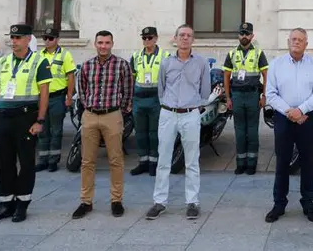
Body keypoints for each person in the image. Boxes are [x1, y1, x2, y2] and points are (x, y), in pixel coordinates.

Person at [0, 24, 51, 223]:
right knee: (4, 161)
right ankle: (5, 203)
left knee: (26, 162)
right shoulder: (2, 62)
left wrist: (40, 120)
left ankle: (22, 203)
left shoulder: (39, 61)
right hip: (3, 116)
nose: (14, 41)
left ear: (29, 39)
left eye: (18, 37)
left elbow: (44, 94)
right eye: (12, 37)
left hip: (26, 116)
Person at [145, 25, 211, 220]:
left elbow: (205, 91)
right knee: (163, 159)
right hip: (168, 114)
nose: (185, 38)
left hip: (190, 115)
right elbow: (161, 89)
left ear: (193, 40)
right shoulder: (166, 63)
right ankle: (159, 201)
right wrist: (169, 106)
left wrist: (194, 106)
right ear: (175, 38)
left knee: (192, 160)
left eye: (189, 35)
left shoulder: (201, 63)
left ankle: (192, 201)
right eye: (181, 35)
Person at [264, 28, 313, 224]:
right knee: (282, 161)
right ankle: (279, 204)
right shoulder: (276, 64)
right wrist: (289, 112)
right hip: (284, 118)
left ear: (306, 44)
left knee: (307, 161)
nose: (296, 42)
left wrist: (301, 110)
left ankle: (308, 203)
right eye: (293, 39)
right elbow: (271, 93)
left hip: (307, 118)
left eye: (300, 40)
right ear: (288, 41)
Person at [72, 30, 133, 220]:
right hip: (90, 116)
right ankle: (86, 201)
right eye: (100, 42)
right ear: (95, 44)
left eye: (107, 42)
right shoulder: (87, 66)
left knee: (115, 160)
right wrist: (87, 109)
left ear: (112, 44)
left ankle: (116, 200)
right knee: (87, 161)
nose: (103, 46)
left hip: (112, 115)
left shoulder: (121, 65)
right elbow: (81, 90)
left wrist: (119, 111)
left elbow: (128, 90)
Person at [222, 21, 268, 175]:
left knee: (253, 131)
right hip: (237, 96)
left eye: (247, 34)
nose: (244, 36)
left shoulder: (259, 53)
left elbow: (266, 76)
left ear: (252, 36)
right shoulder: (232, 54)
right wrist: (228, 98)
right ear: (238, 35)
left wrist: (264, 95)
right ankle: (240, 163)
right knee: (240, 131)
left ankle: (252, 163)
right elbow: (226, 76)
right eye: (242, 33)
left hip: (253, 95)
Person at [35, 27, 75, 172]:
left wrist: (69, 97)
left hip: (57, 97)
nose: (47, 41)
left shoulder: (64, 55)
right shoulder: (39, 55)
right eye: (44, 38)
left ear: (57, 39)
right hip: (41, 98)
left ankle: (53, 160)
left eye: (50, 38)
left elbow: (71, 77)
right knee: (42, 130)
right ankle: (42, 159)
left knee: (56, 130)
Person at [130, 26, 169, 177]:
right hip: (139, 99)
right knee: (140, 132)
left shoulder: (165, 56)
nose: (147, 41)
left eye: (150, 38)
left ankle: (154, 162)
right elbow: (132, 77)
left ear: (156, 38)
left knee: (154, 133)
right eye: (144, 38)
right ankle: (143, 162)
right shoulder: (136, 56)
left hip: (156, 99)